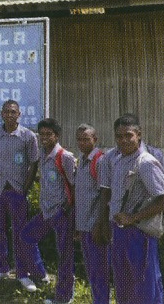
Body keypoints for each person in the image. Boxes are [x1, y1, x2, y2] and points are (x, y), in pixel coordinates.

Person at [99, 115, 164, 304]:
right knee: (124, 287)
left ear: (138, 135)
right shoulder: (118, 159)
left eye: (128, 135)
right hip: (120, 232)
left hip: (139, 234)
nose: (123, 140)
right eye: (119, 136)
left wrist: (133, 218)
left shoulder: (146, 162)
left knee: (144, 287)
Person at [0, 100, 47, 291]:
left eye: (13, 112)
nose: (10, 115)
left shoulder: (28, 136)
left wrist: (25, 188)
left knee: (20, 233)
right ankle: (2, 267)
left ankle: (22, 273)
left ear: (19, 114)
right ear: (2, 114)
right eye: (6, 112)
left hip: (17, 191)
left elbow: (34, 163)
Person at [21, 118, 75, 304]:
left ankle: (64, 297)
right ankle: (40, 274)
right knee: (26, 236)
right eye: (41, 134)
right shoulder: (43, 155)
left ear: (56, 136)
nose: (44, 138)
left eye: (48, 134)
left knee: (65, 257)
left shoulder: (64, 157)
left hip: (61, 214)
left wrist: (65, 210)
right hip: (46, 212)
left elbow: (74, 187)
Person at [73, 124, 109, 304]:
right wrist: (78, 226)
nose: (82, 143)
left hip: (95, 227)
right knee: (92, 271)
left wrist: (99, 225)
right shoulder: (81, 159)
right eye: (79, 139)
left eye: (86, 139)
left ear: (95, 140)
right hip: (84, 226)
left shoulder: (100, 161)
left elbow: (105, 194)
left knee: (99, 272)